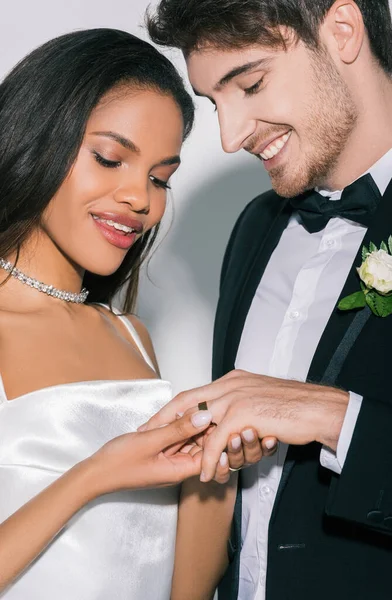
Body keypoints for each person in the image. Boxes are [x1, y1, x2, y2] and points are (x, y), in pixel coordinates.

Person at [144, 1, 392, 598]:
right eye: (214, 103)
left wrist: (333, 417)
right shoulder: (254, 227)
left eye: (251, 84)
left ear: (341, 31)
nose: (230, 137)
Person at [0, 28, 238, 600]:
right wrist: (98, 475)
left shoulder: (133, 337)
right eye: (110, 159)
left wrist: (215, 466)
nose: (142, 200)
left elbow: (185, 586)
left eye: (161, 178)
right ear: (38, 136)